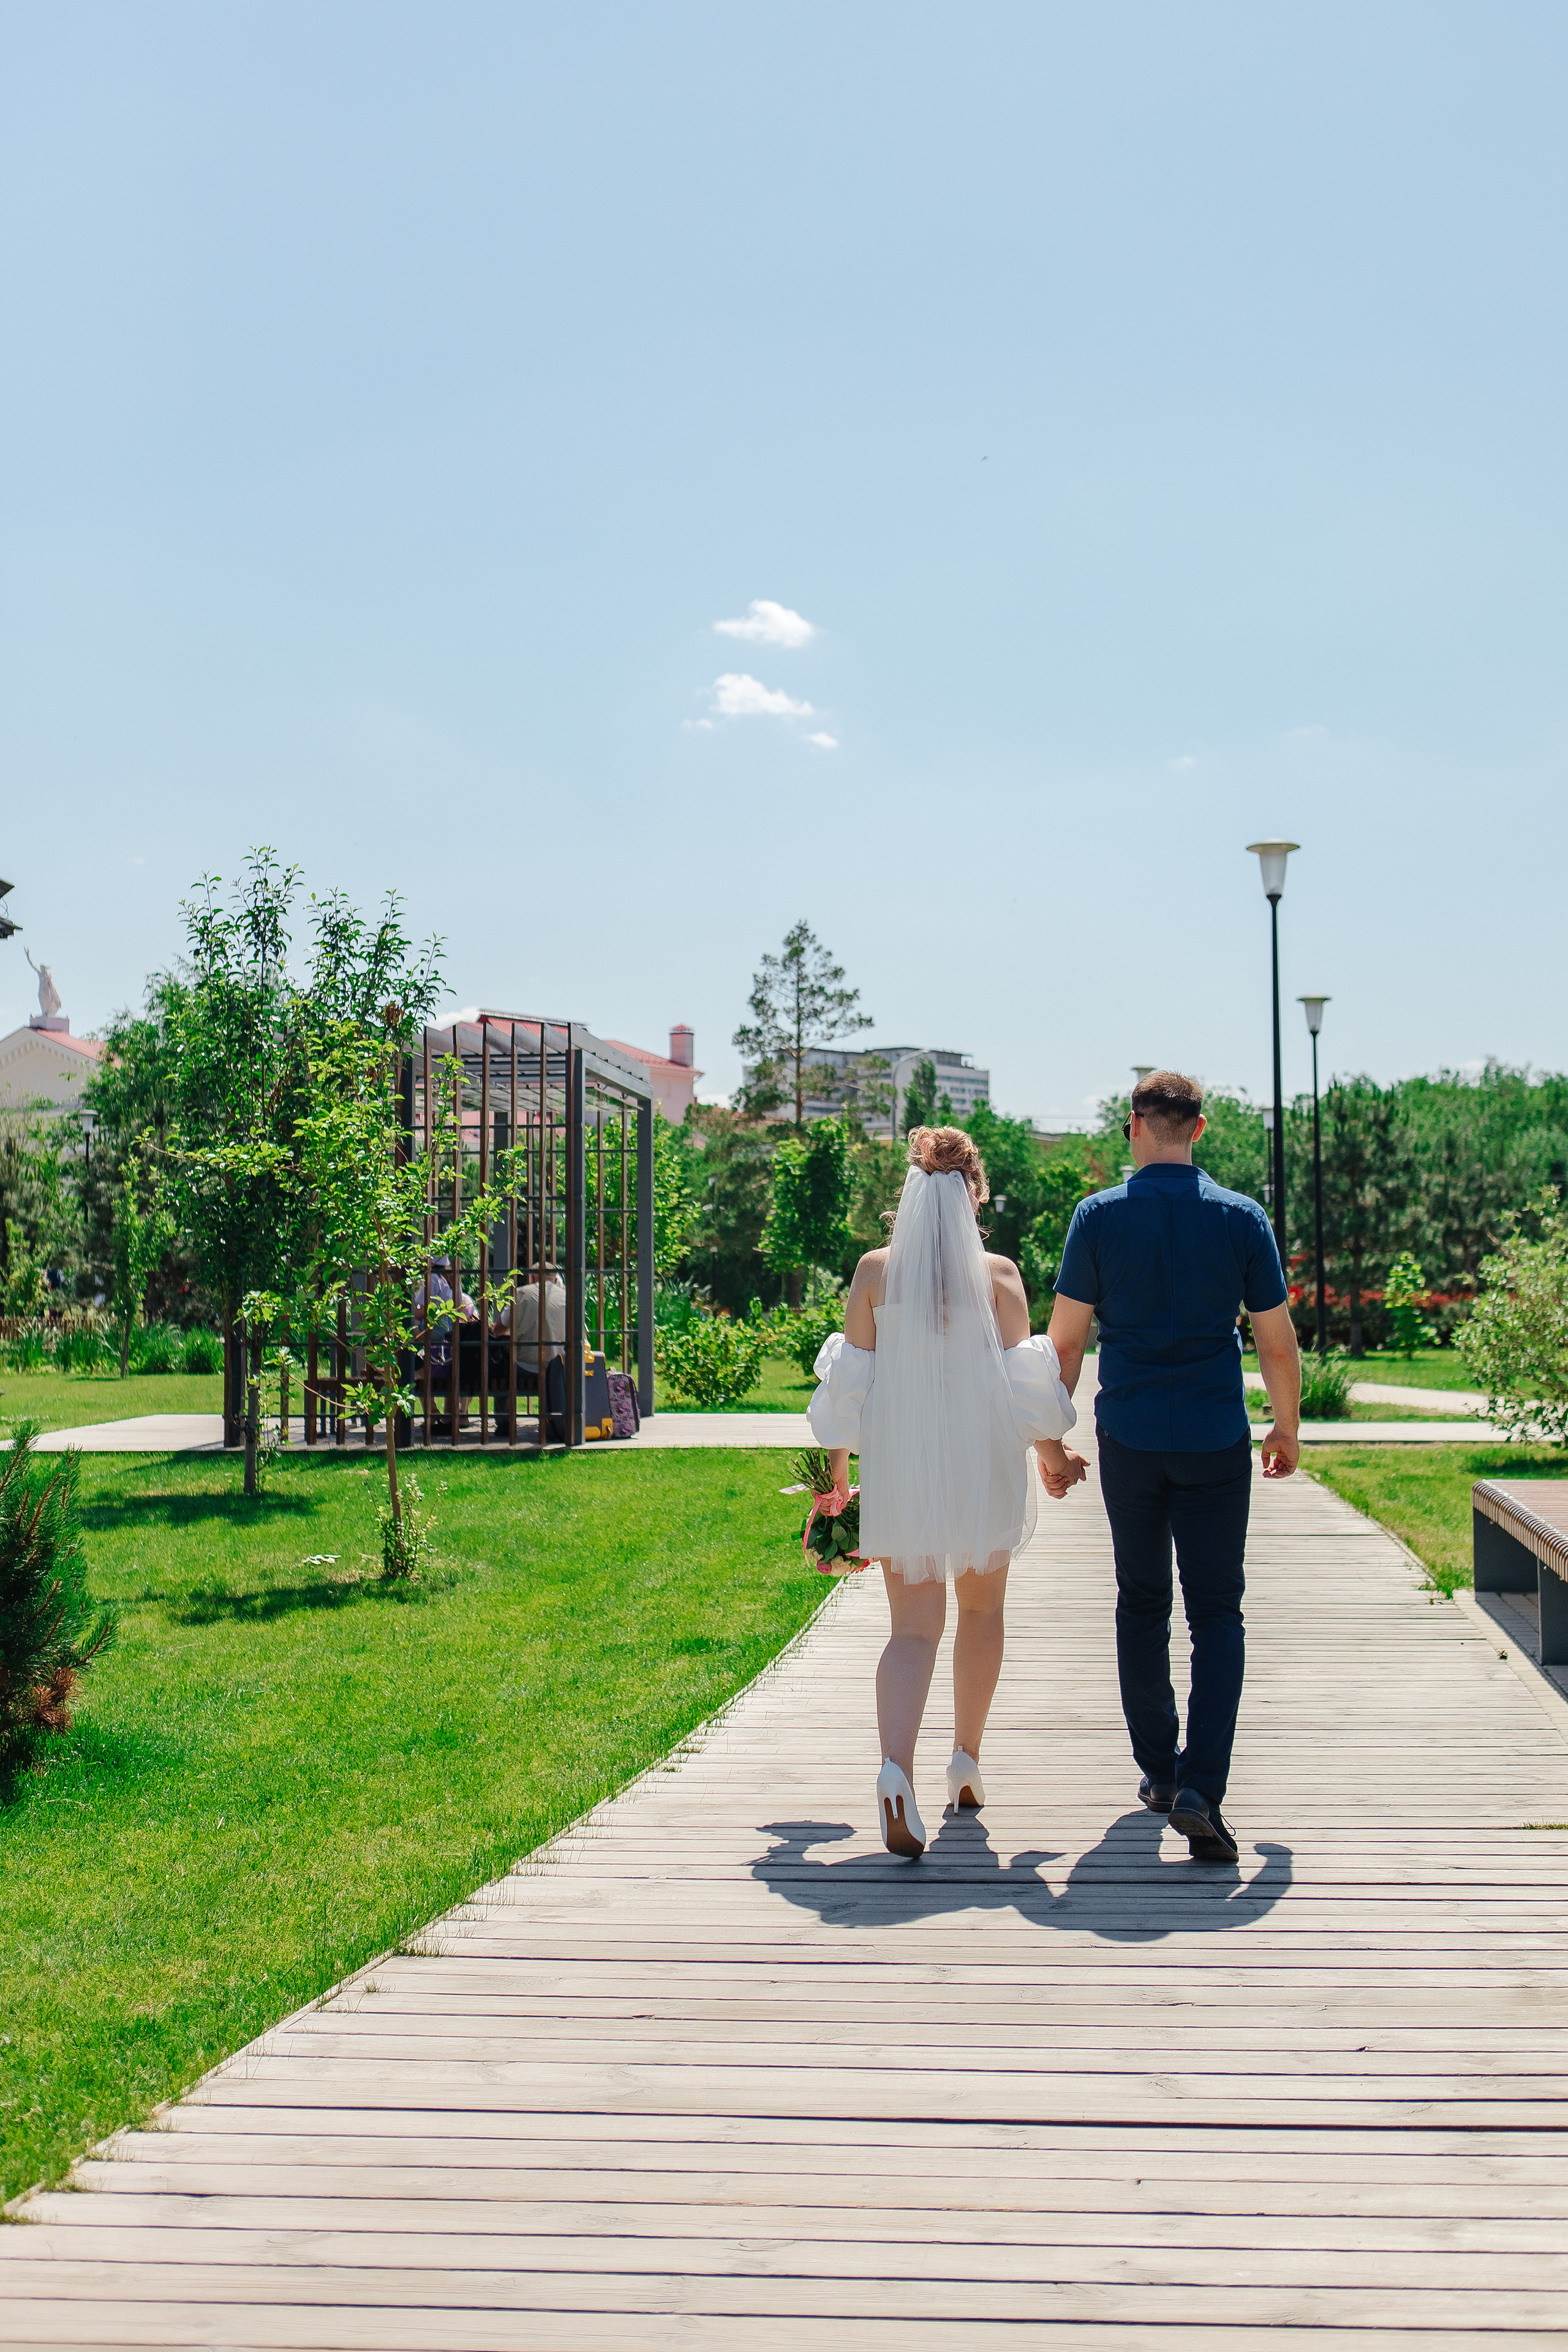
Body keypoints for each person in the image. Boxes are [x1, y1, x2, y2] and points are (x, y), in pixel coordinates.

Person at [1041, 1069, 1301, 1863]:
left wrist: (1051, 1440)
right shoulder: (1240, 1218)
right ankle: (1201, 1787)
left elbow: (1065, 1344)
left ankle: (1159, 1770)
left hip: (1128, 1438)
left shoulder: (1097, 1218)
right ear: (1200, 1127)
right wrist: (1286, 1427)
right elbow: (1276, 1341)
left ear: (1133, 1126)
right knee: (1217, 1612)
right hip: (1215, 1438)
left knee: (1142, 1600)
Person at [809, 1126, 1077, 1860]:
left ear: (908, 1194)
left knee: (910, 1630)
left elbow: (848, 1384)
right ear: (975, 1192)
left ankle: (896, 1773)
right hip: (984, 1463)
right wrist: (1053, 1456)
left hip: (903, 1466)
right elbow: (1025, 1388)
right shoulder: (999, 1275)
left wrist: (837, 1468)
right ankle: (965, 1760)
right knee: (983, 1609)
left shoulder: (874, 1271)